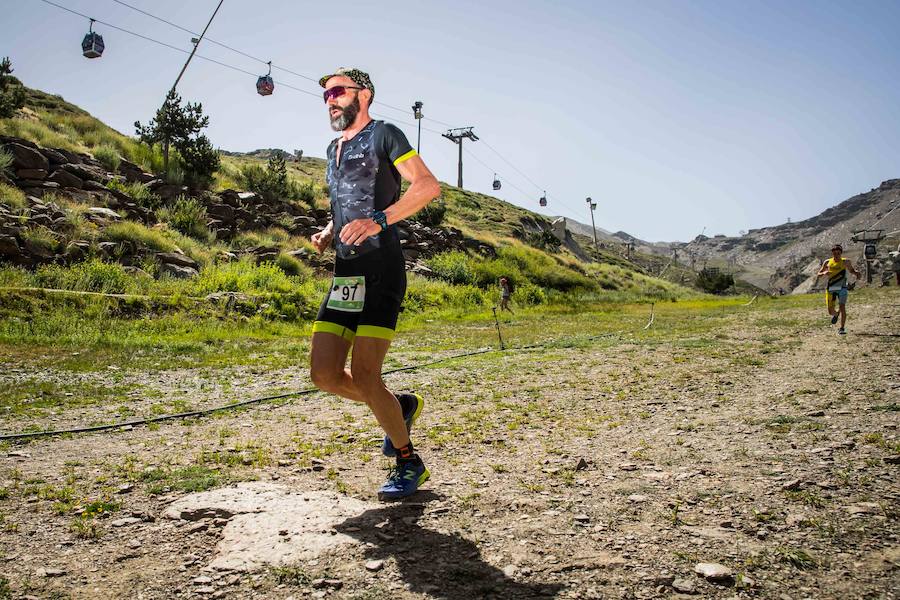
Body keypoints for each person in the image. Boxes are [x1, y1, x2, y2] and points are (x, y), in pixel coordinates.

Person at [308, 68, 441, 499]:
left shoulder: (386, 134)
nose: (330, 99)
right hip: (346, 273)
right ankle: (399, 407)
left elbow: (427, 186)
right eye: (326, 93)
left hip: (381, 268)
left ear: (363, 95)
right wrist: (331, 230)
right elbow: (349, 200)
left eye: (338, 91)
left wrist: (379, 220)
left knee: (367, 376)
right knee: (325, 374)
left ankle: (408, 461)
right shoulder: (333, 148)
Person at [815, 244, 860, 335]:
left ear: (841, 253)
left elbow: (851, 270)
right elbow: (818, 274)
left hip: (842, 288)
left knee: (842, 307)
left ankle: (842, 328)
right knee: (830, 311)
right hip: (831, 288)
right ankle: (836, 314)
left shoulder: (845, 262)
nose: (836, 255)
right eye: (834, 253)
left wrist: (857, 273)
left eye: (838, 253)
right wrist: (824, 272)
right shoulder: (827, 262)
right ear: (832, 253)